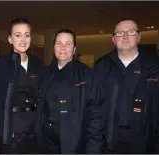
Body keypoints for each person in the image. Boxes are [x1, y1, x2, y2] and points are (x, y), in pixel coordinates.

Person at [34, 29, 105, 153]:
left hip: (75, 143)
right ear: (54, 46)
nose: (63, 48)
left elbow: (97, 117)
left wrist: (94, 149)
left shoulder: (87, 75)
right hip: (47, 141)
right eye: (59, 43)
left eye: (68, 44)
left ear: (74, 49)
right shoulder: (44, 73)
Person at [94, 19, 159, 153]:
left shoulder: (154, 66)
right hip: (109, 144)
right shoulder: (102, 66)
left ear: (139, 37)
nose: (125, 36)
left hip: (145, 145)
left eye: (130, 32)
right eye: (119, 33)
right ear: (113, 39)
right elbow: (93, 107)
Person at [0, 18, 43, 153]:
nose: (23, 39)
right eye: (18, 35)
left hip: (33, 125)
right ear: (10, 39)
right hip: (12, 125)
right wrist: (4, 129)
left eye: (27, 35)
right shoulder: (0, 64)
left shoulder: (38, 63)